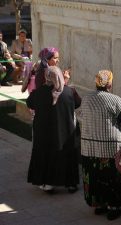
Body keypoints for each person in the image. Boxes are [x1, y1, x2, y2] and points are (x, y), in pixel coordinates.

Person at [80, 70, 121, 220]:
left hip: (89, 147)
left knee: (95, 176)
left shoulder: (87, 98)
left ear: (97, 82)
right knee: (112, 177)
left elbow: (83, 116)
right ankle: (113, 207)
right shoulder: (115, 100)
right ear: (109, 83)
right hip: (110, 148)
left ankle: (100, 204)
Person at [26, 65, 81, 193]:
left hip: (44, 133)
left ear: (46, 77)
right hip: (65, 132)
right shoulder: (69, 92)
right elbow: (77, 103)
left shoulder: (38, 92)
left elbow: (30, 103)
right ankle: (71, 184)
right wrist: (64, 84)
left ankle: (48, 183)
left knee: (47, 156)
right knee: (66, 156)